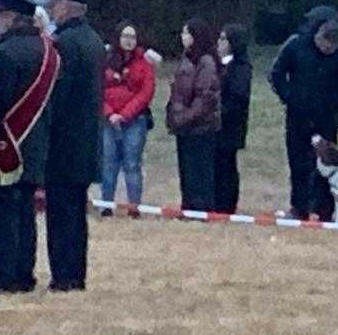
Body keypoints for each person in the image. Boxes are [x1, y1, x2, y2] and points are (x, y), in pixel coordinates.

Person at [0, 0, 59, 293]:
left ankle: (6, 274)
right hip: (36, 145)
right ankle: (24, 272)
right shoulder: (48, 50)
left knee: (2, 215)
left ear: (10, 18)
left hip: (6, 146)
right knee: (25, 214)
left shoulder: (6, 53)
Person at [44, 0, 104, 292]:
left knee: (61, 215)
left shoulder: (64, 43)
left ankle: (64, 274)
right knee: (75, 215)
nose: (51, 9)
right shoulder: (92, 39)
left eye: (54, 4)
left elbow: (57, 94)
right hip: (86, 140)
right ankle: (74, 272)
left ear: (66, 6)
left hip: (64, 143)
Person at [269, 6, 338, 220]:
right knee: (298, 162)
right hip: (298, 116)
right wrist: (289, 97)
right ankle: (299, 207)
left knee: (326, 165)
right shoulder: (295, 45)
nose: (327, 51)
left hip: (327, 118)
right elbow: (276, 73)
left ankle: (324, 210)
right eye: (324, 46)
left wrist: (336, 104)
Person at [100, 21, 156, 216]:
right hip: (107, 121)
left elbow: (145, 93)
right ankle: (106, 205)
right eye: (125, 36)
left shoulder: (144, 64)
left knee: (132, 164)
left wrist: (124, 115)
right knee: (108, 163)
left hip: (134, 121)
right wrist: (109, 113)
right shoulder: (104, 59)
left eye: (132, 37)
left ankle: (134, 207)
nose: (129, 41)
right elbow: (97, 90)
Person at [167, 18, 221, 213]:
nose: (183, 37)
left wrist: (185, 117)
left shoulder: (206, 61)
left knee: (199, 170)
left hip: (200, 127)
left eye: (186, 33)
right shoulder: (186, 58)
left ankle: (201, 207)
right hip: (184, 126)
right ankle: (188, 205)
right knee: (187, 170)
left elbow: (205, 96)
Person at [215, 24, 252, 215]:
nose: (219, 43)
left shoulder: (241, 66)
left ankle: (227, 204)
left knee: (227, 164)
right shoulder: (219, 63)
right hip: (217, 123)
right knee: (219, 163)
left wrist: (219, 111)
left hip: (231, 124)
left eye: (223, 39)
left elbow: (238, 96)